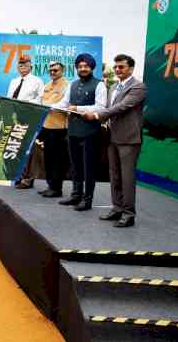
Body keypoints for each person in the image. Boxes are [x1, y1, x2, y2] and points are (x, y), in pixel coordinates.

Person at [84, 54, 147, 228]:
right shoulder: (112, 87)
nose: (118, 69)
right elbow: (108, 108)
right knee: (114, 175)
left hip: (129, 139)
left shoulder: (138, 87)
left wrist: (97, 115)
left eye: (122, 67)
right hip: (112, 137)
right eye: (116, 67)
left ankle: (128, 214)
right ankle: (117, 208)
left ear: (131, 69)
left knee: (127, 178)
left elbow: (121, 107)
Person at [49, 53, 107, 210]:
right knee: (75, 166)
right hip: (73, 131)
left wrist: (78, 108)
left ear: (92, 67)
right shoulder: (72, 85)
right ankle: (76, 195)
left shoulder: (99, 84)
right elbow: (64, 103)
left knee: (88, 167)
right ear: (76, 68)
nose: (83, 69)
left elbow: (101, 107)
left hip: (90, 132)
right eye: (80, 66)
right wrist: (49, 107)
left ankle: (87, 200)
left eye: (86, 66)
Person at [7, 55, 45, 189]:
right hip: (16, 118)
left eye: (25, 64)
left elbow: (41, 100)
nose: (22, 66)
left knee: (29, 150)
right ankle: (18, 176)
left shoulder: (37, 81)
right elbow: (9, 98)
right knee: (17, 148)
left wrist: (25, 104)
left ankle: (28, 179)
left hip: (30, 118)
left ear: (31, 66)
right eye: (20, 64)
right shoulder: (13, 81)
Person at [35, 61, 69, 197]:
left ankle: (57, 188)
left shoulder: (67, 86)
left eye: (56, 70)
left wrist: (48, 105)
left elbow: (64, 105)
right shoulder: (47, 85)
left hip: (59, 128)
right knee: (48, 158)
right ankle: (50, 186)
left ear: (62, 71)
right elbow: (40, 101)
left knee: (57, 160)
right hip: (46, 126)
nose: (53, 72)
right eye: (51, 70)